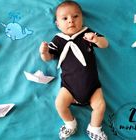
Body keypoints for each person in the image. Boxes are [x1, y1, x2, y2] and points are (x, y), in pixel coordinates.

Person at [39, 1, 109, 140]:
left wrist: (96, 39)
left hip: (92, 87)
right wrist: (44, 52)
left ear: (82, 18)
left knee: (100, 106)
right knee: (60, 104)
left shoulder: (87, 34)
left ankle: (94, 128)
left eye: (75, 16)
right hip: (69, 88)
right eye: (65, 18)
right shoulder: (58, 40)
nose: (71, 20)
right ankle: (70, 124)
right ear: (58, 24)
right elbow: (49, 58)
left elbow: (105, 44)